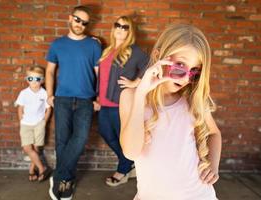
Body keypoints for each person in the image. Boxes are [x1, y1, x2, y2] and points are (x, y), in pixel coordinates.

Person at [120, 24, 222, 200]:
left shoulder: (192, 101)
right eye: (180, 65)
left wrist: (213, 165)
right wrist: (141, 94)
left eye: (194, 72)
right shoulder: (130, 97)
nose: (185, 78)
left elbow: (214, 134)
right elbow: (130, 152)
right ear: (159, 56)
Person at [45, 5, 102, 200]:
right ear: (70, 18)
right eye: (78, 20)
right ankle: (66, 180)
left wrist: (98, 98)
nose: (80, 25)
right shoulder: (57, 44)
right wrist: (50, 95)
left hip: (86, 100)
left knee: (80, 139)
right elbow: (50, 71)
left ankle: (58, 174)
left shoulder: (94, 45)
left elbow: (99, 75)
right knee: (62, 141)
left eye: (85, 23)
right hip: (62, 99)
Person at [94, 16, 149, 187]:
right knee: (105, 133)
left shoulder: (134, 51)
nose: (120, 28)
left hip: (120, 103)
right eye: (117, 25)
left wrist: (135, 83)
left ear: (129, 31)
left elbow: (150, 64)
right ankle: (129, 162)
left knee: (122, 137)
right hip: (104, 102)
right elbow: (102, 77)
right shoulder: (107, 50)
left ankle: (123, 171)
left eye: (125, 27)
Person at [15, 66, 52, 182]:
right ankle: (42, 168)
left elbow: (48, 109)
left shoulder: (44, 93)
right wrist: (21, 120)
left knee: (36, 148)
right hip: (26, 124)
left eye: (37, 79)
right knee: (27, 148)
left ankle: (31, 170)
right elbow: (20, 108)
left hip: (38, 124)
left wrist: (44, 122)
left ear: (42, 80)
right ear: (27, 80)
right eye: (31, 79)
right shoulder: (24, 93)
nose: (34, 82)